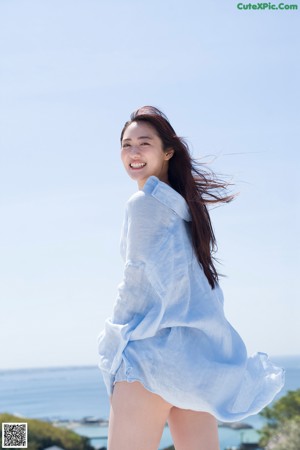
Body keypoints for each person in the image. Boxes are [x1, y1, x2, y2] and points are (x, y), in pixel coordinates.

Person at [97, 106, 285, 450]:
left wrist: (113, 343)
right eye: (126, 145)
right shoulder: (188, 209)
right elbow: (207, 291)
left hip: (148, 361)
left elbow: (135, 280)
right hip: (195, 367)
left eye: (144, 143)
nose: (134, 153)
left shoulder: (143, 203)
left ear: (168, 151)